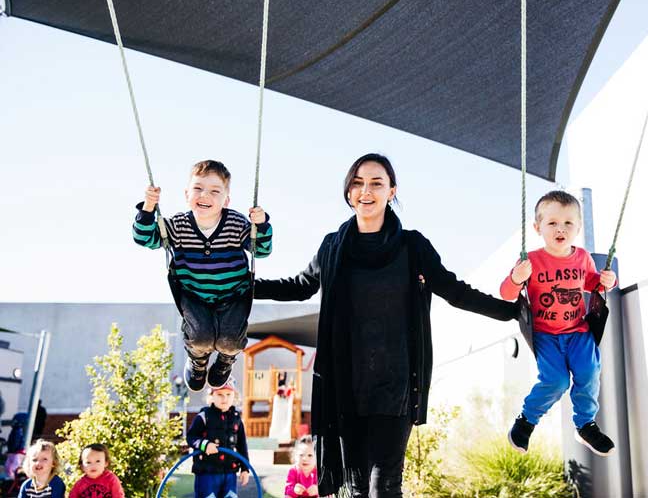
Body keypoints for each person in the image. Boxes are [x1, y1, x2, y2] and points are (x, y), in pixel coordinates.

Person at [254, 153, 517, 497]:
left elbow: (454, 290)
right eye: (358, 183)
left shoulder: (412, 246)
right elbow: (300, 286)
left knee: (384, 486)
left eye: (377, 183)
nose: (366, 190)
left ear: (392, 191)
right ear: (349, 192)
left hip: (395, 386)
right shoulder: (333, 246)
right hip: (345, 386)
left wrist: (510, 311)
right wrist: (246, 285)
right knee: (357, 488)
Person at [132, 160, 273, 391]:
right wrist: (148, 207)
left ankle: (225, 362)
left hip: (233, 294)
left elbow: (262, 250)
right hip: (193, 294)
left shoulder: (236, 223)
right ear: (187, 194)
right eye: (198, 188)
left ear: (226, 200)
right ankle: (198, 363)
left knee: (230, 342)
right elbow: (144, 238)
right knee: (200, 338)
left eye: (215, 191)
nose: (205, 195)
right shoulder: (178, 225)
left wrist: (262, 224)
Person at [500, 190, 617, 456]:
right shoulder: (530, 261)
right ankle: (526, 421)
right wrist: (517, 278)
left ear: (577, 228)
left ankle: (586, 424)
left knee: (589, 373)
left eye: (568, 223)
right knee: (556, 381)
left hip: (579, 331)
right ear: (537, 227)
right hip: (545, 334)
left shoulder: (582, 257)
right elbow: (507, 295)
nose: (560, 229)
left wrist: (608, 281)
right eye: (552, 223)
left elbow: (594, 283)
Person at [186, 378, 250, 498]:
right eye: (219, 394)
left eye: (228, 394)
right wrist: (204, 445)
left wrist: (245, 468)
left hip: (229, 472)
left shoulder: (236, 419)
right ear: (211, 396)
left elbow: (242, 445)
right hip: (207, 472)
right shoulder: (204, 417)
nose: (224, 398)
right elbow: (191, 437)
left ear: (234, 396)